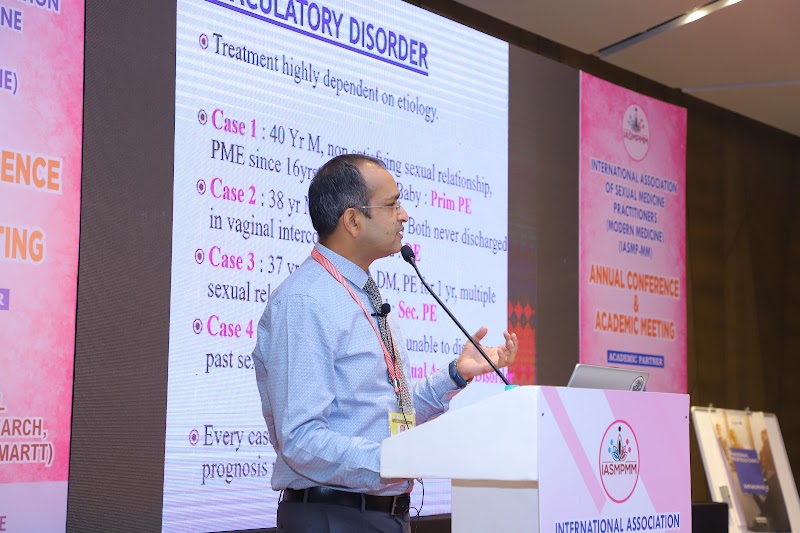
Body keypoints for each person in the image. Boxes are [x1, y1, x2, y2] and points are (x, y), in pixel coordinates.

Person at [252, 154, 518, 532]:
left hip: (384, 515)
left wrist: (456, 374)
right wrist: (393, 459)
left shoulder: (363, 295)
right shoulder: (305, 301)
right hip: (334, 518)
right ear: (353, 220)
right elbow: (301, 440)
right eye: (392, 205)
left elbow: (389, 413)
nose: (404, 215)